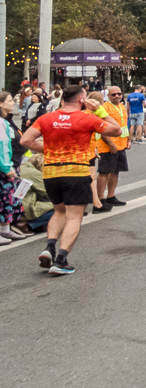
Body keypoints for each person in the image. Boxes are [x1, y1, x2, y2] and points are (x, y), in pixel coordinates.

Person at [19, 85, 119, 275]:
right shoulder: (87, 118)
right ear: (82, 100)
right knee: (74, 216)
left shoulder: (46, 118)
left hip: (50, 172)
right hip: (76, 171)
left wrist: (48, 149)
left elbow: (25, 141)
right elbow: (115, 130)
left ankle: (49, 247)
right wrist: (99, 109)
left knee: (59, 212)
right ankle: (61, 259)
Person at [95, 85, 130, 209]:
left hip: (121, 145)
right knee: (104, 172)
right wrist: (110, 143)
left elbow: (124, 124)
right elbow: (101, 128)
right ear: (108, 96)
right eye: (113, 94)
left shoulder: (122, 106)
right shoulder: (105, 108)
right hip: (108, 146)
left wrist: (128, 140)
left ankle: (111, 196)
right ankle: (100, 198)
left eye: (119, 94)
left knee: (115, 171)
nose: (117, 96)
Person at [0, 91, 25, 243]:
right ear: (1, 104)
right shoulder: (1, 122)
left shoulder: (6, 120)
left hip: (11, 164)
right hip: (6, 167)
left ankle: (5, 229)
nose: (13, 103)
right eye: (10, 101)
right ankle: (3, 229)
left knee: (10, 198)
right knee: (4, 198)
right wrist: (7, 167)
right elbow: (2, 147)